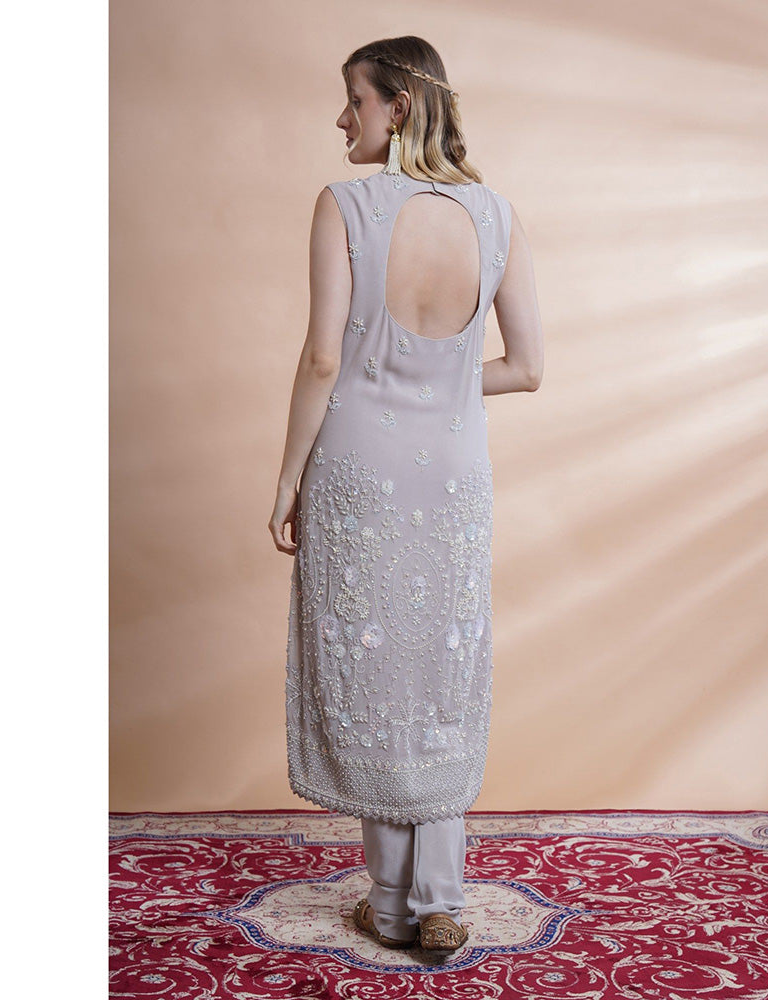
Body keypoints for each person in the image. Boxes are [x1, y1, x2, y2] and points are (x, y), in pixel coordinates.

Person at [269, 36, 543, 955]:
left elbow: (323, 358)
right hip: (455, 473)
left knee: (374, 668)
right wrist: (444, 379)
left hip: (358, 470)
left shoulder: (345, 205)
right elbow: (527, 368)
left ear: (399, 107)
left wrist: (288, 477)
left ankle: (390, 905)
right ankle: (440, 898)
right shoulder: (498, 216)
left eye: (353, 99)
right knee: (441, 668)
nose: (341, 118)